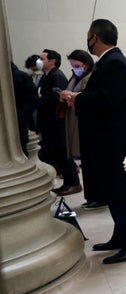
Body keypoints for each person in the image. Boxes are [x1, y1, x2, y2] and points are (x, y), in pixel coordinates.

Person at [60, 19, 126, 265]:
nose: (87, 41)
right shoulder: (107, 62)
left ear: (95, 37)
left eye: (88, 36)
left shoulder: (115, 63)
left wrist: (77, 98)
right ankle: (121, 237)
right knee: (114, 193)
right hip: (108, 142)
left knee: (122, 194)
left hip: (115, 143)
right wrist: (80, 97)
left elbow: (107, 100)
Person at [54, 50, 94, 196]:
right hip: (72, 117)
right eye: (72, 65)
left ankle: (90, 191)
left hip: (82, 119)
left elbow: (88, 97)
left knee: (88, 157)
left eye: (76, 65)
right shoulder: (75, 76)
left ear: (86, 64)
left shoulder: (91, 76)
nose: (74, 68)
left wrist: (72, 97)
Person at [37, 49, 68, 177]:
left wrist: (40, 98)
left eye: (42, 59)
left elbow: (57, 99)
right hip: (47, 119)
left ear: (52, 62)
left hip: (54, 120)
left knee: (56, 148)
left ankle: (59, 171)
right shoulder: (47, 75)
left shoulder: (57, 76)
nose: (39, 61)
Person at [11, 62, 38, 157]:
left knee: (21, 151)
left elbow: (33, 100)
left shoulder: (20, 76)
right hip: (18, 118)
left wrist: (20, 114)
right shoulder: (22, 76)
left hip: (19, 120)